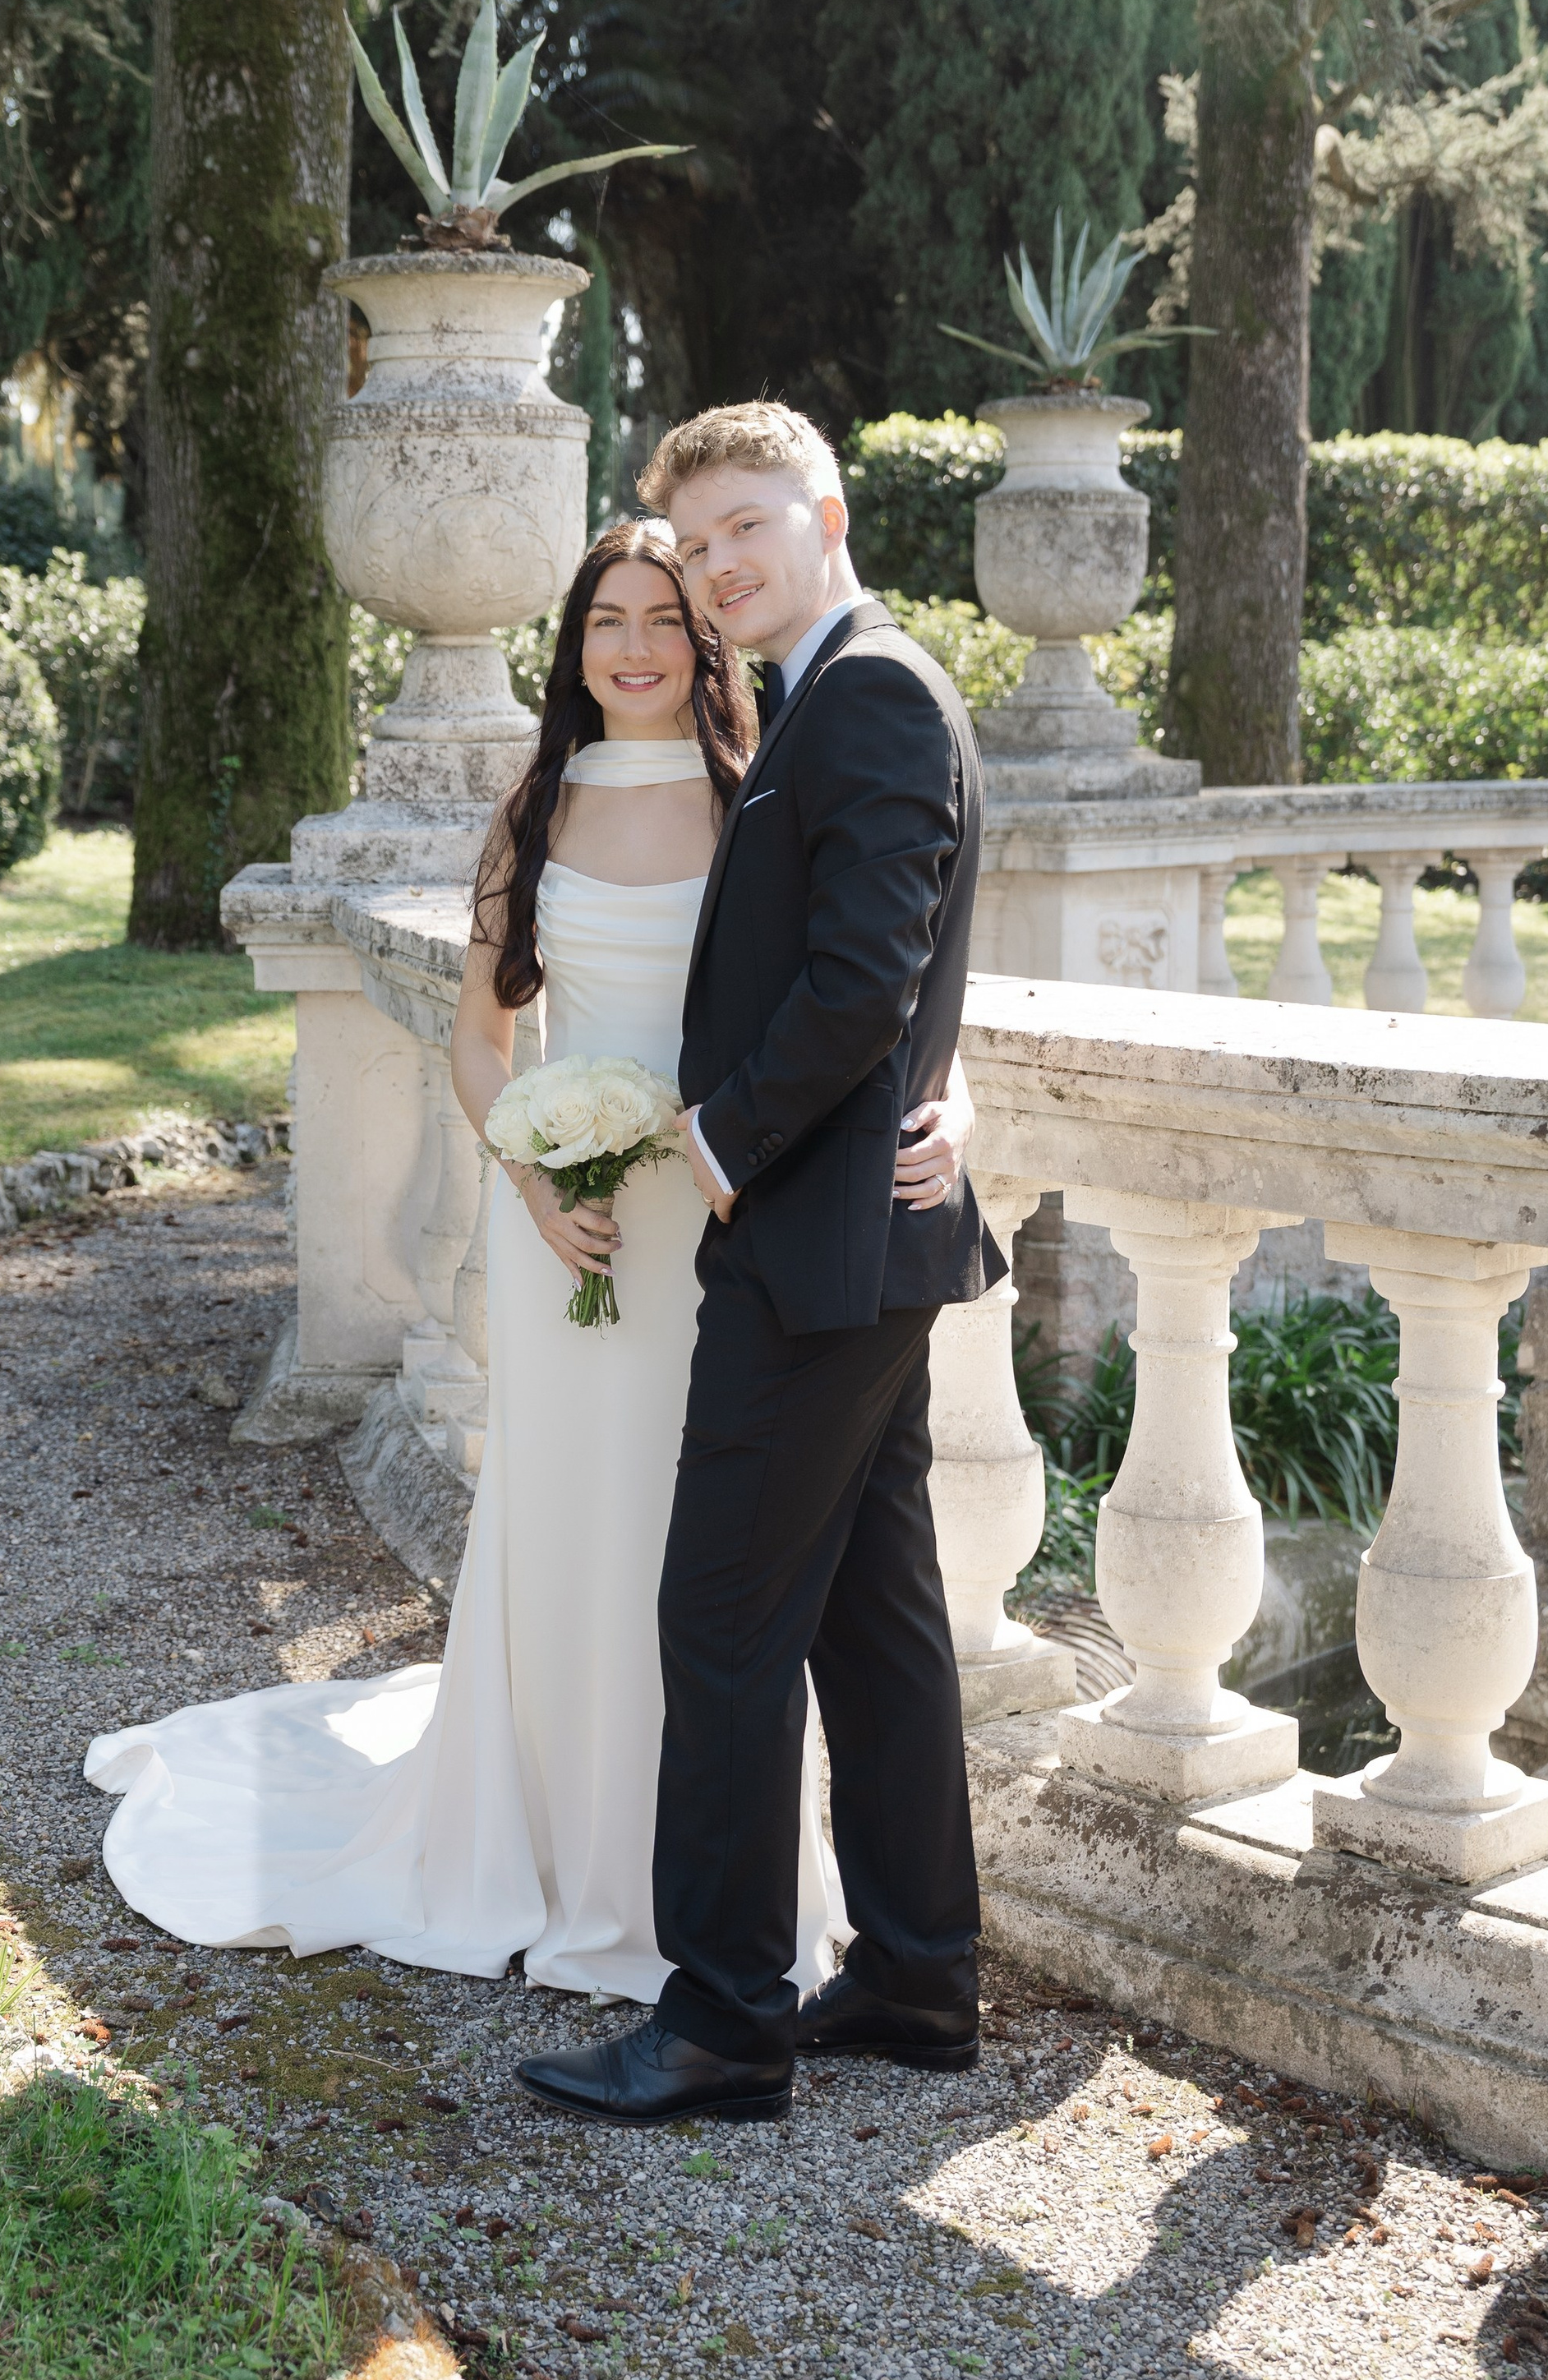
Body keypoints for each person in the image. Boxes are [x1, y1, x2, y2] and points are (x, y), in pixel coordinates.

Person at [82, 520, 968, 1990]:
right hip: (577, 1226)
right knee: (578, 1522)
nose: (635, 646)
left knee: (709, 1557)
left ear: (705, 642)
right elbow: (483, 1043)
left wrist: (960, 1101)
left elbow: (886, 971)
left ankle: (703, 1874)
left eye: (664, 618)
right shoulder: (533, 811)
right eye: (606, 620)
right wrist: (540, 1180)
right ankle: (548, 1837)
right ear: (573, 649)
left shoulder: (757, 787)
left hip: (734, 1213)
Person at [516, 407, 1002, 2129]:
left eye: (746, 528)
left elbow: (868, 975)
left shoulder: (867, 692)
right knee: (874, 1624)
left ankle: (722, 2017)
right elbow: (883, 954)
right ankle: (919, 1976)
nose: (719, 567)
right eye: (698, 541)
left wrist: (716, 1147)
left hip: (808, 1242)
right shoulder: (829, 690)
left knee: (719, 1620)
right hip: (856, 1244)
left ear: (826, 514)